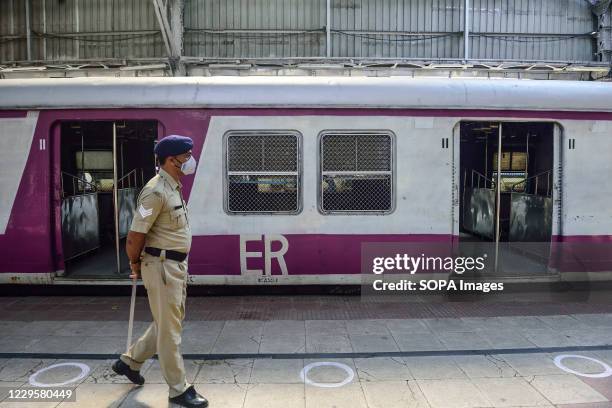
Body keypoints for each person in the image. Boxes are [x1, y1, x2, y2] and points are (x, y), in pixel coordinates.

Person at [111, 135, 208, 408]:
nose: (190, 160)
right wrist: (134, 263)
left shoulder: (172, 186)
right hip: (162, 266)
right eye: (186, 155)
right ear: (171, 159)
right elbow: (134, 236)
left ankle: (129, 362)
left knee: (167, 322)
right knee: (170, 331)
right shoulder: (155, 191)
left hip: (174, 266)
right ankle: (178, 390)